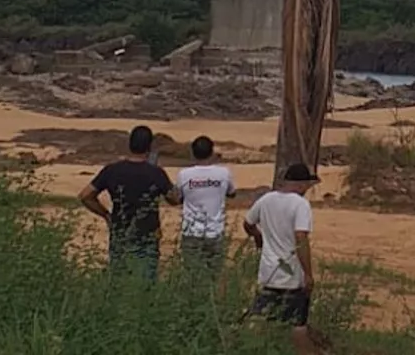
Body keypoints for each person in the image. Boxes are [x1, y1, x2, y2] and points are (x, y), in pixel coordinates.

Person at [79, 125, 178, 281]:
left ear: (130, 144)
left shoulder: (111, 170)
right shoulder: (156, 173)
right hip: (147, 235)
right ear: (149, 147)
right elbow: (174, 199)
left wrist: (106, 215)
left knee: (119, 279)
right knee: (146, 283)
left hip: (120, 231)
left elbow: (86, 195)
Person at [244, 163, 320, 354]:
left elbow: (248, 223)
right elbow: (301, 238)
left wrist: (258, 236)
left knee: (260, 320)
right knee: (298, 325)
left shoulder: (266, 199)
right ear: (302, 185)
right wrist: (308, 274)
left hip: (268, 273)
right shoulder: (300, 204)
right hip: (291, 275)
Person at [176, 135, 235, 272]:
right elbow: (232, 192)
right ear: (212, 152)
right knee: (214, 275)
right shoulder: (224, 173)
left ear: (193, 152)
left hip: (191, 232)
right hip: (215, 231)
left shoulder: (184, 174)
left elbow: (178, 197)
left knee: (191, 275)